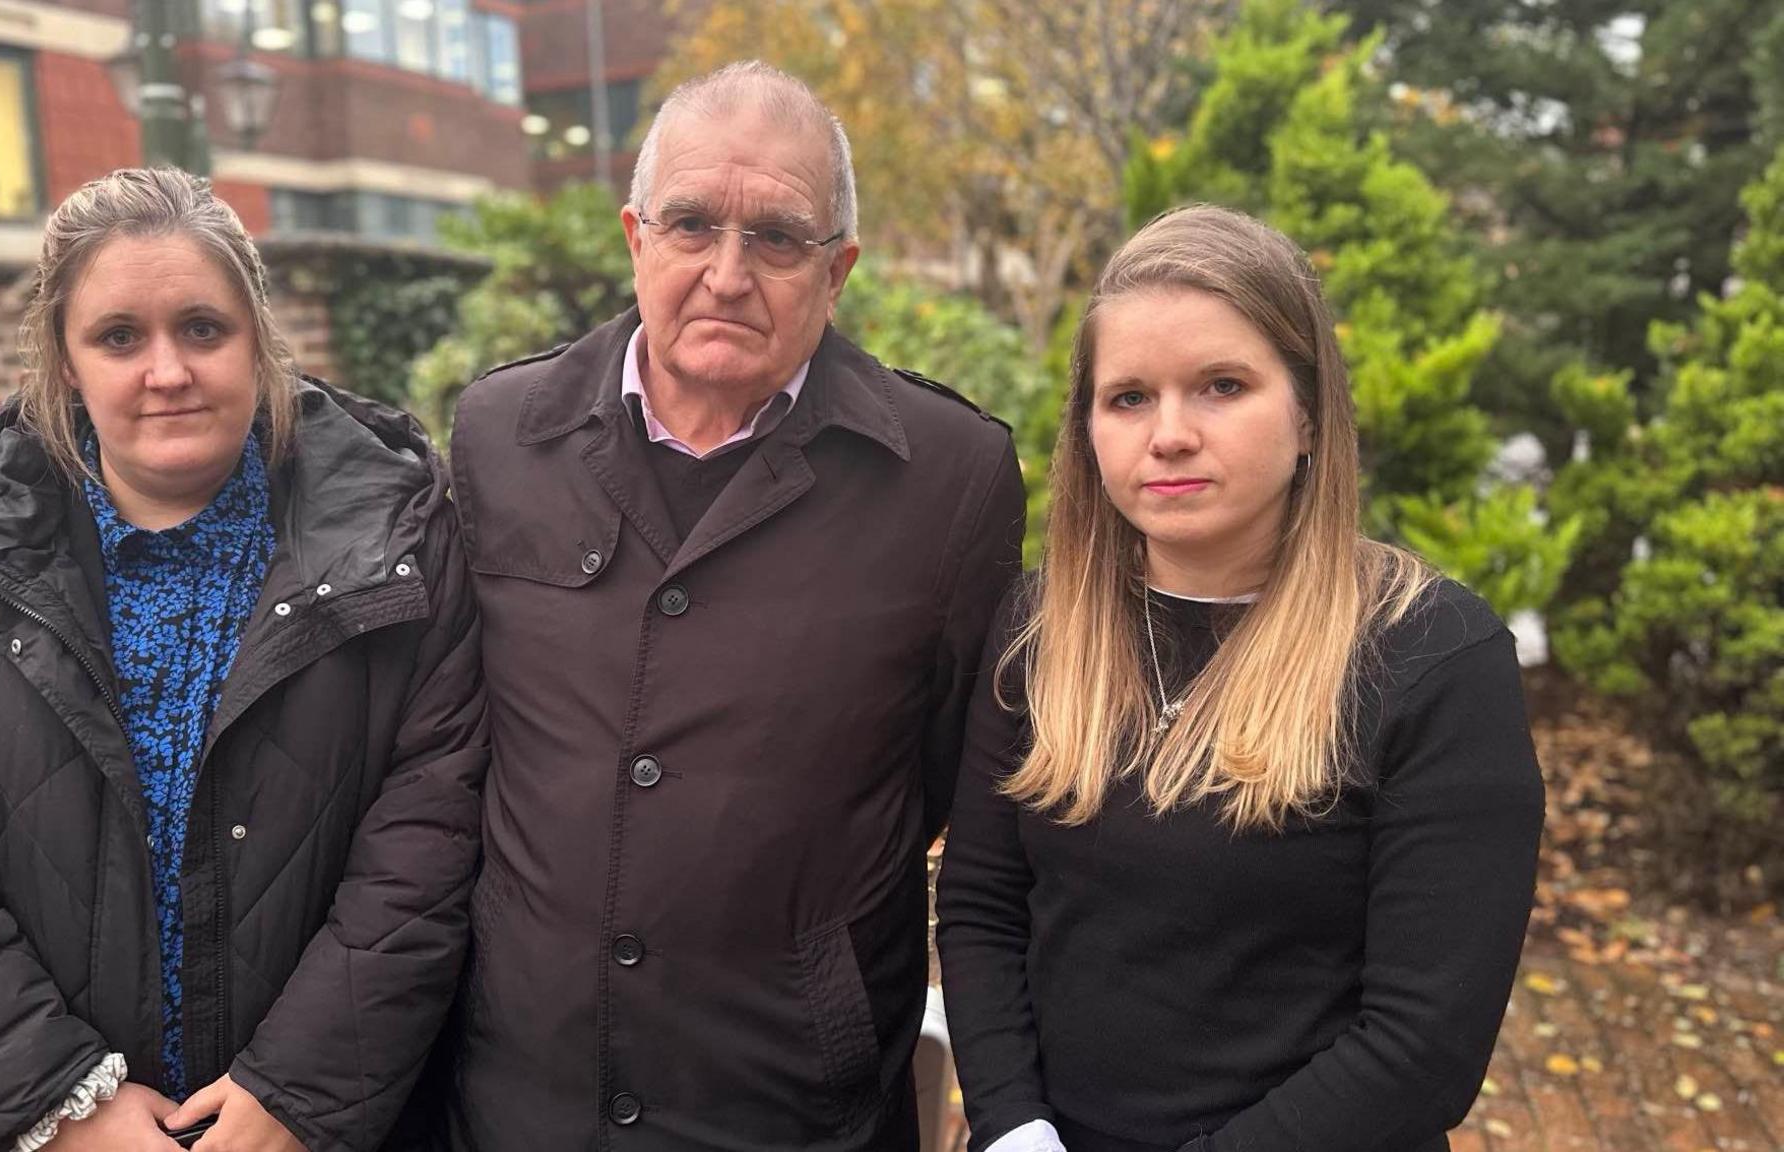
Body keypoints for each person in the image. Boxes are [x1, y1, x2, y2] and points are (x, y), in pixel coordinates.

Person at [0, 167, 487, 1152]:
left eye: (202, 328)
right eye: (120, 337)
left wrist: (294, 1093)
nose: (167, 370)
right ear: (66, 362)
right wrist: (59, 1103)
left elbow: (428, 851)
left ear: (257, 341)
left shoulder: (401, 548)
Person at [430, 60, 1026, 1150]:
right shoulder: (498, 436)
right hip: (522, 1094)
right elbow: (454, 738)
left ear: (837, 269)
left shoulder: (950, 480)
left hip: (792, 1105)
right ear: (634, 238)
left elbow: (941, 777)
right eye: (692, 224)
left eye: (778, 238)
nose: (725, 272)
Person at [936, 204, 1545, 1152]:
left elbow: (1423, 1044)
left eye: (1222, 386)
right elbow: (980, 906)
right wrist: (1014, 1126)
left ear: (1307, 413)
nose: (1169, 434)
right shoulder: (1039, 627)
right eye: (1128, 397)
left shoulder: (1431, 654)